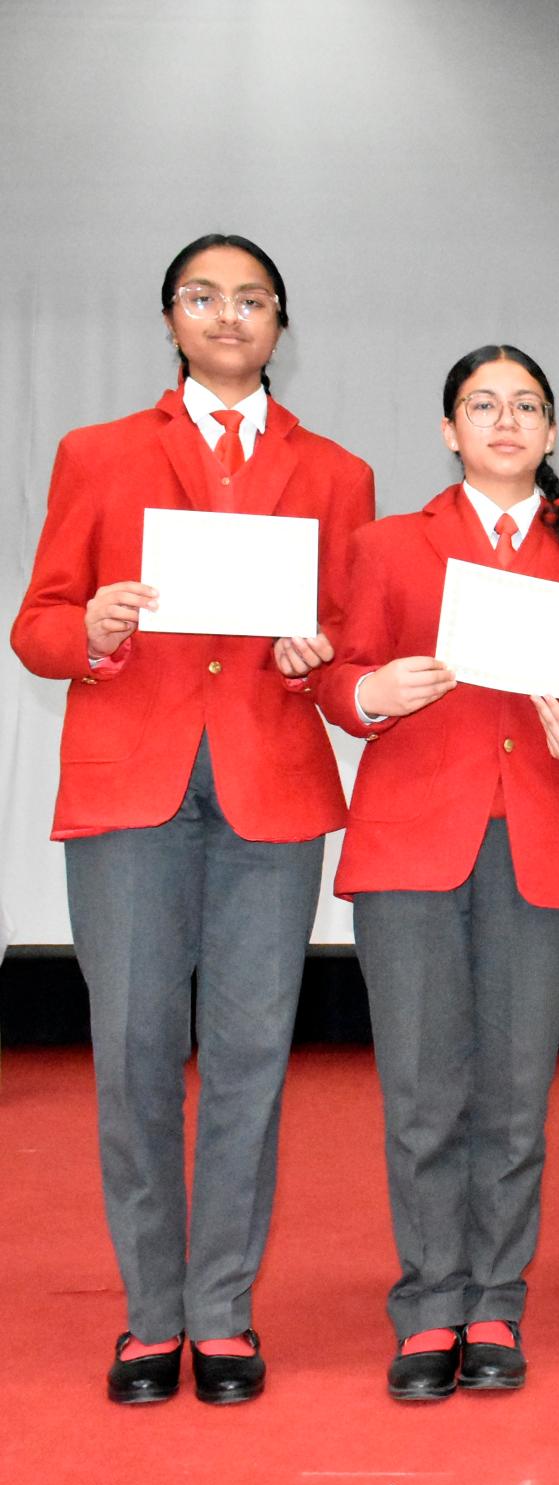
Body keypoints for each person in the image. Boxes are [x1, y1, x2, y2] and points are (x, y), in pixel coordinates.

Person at [9, 233, 374, 1405]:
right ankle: (149, 1315)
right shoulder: (98, 453)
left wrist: (318, 657)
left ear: (280, 325)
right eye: (204, 297)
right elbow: (38, 626)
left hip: (270, 787)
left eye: (252, 299)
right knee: (132, 1051)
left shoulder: (337, 473)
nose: (228, 315)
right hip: (131, 788)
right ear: (170, 318)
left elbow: (345, 647)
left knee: (252, 1056)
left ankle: (220, 1311)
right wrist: (92, 630)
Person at [315, 345, 559, 1401]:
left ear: (550, 431)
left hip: (533, 844)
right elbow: (340, 679)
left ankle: (495, 1299)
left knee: (514, 1093)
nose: (505, 421)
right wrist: (372, 694)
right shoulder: (389, 545)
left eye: (526, 405)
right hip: (411, 843)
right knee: (421, 1092)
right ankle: (427, 1304)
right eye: (482, 405)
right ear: (449, 430)